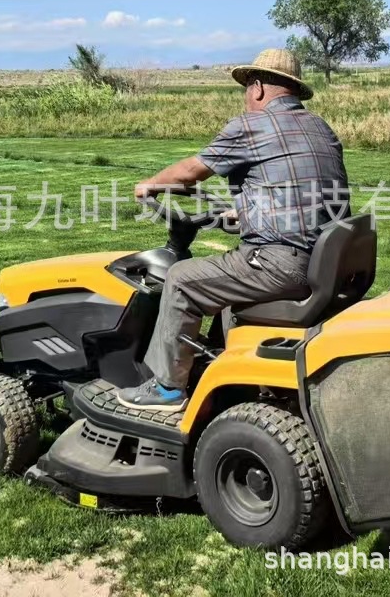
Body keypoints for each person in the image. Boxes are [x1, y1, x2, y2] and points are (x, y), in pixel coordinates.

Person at [116, 48, 349, 412]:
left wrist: (149, 185)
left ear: (257, 87)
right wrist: (245, 213)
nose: (245, 96)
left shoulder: (250, 126)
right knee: (223, 280)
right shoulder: (319, 127)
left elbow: (190, 172)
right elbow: (301, 192)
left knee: (180, 278)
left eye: (246, 88)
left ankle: (167, 388)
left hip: (281, 264)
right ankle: (219, 369)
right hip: (323, 262)